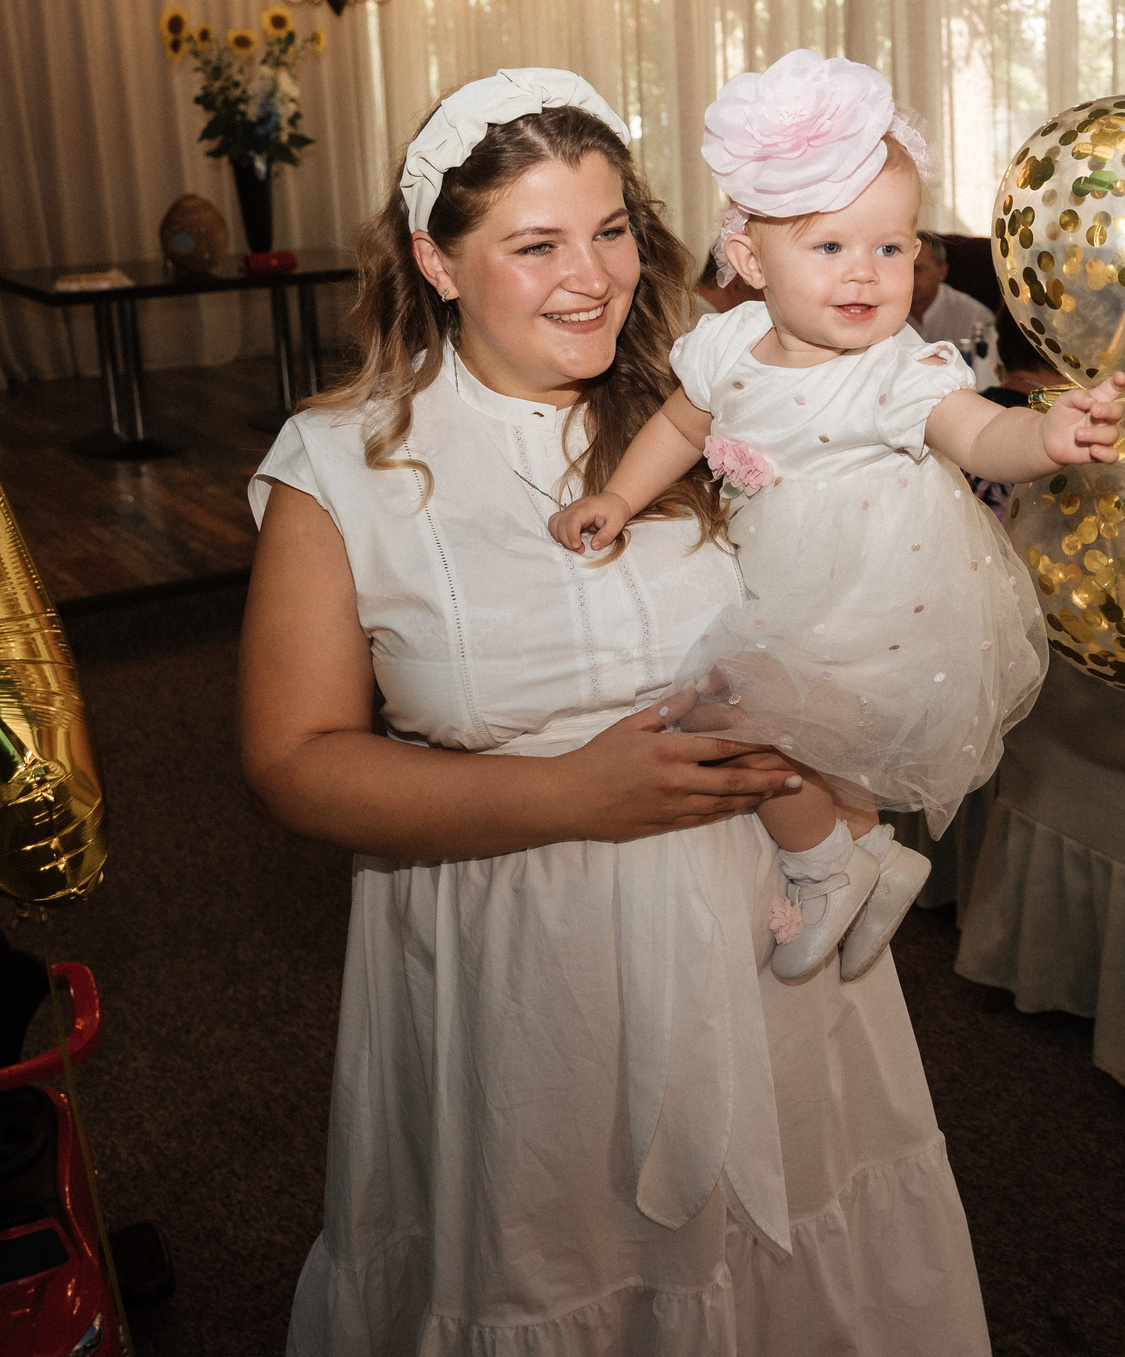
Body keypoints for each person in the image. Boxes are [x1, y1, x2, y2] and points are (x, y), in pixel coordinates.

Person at [240, 67, 993, 1352]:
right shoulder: (341, 462)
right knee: (558, 1272)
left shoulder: (720, 399)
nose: (590, 276)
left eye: (611, 233)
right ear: (435, 258)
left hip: (768, 946)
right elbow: (295, 761)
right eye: (535, 245)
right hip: (524, 973)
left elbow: (870, 593)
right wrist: (563, 792)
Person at [553, 50, 1124, 980]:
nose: (866, 274)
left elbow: (978, 436)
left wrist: (1045, 437)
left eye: (890, 248)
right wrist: (619, 494)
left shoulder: (897, 369)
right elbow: (682, 423)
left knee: (732, 715)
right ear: (748, 261)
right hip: (781, 582)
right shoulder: (730, 340)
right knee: (775, 735)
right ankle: (868, 857)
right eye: (830, 248)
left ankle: (825, 866)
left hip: (873, 602)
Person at [909, 231, 996, 350]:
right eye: (902, 269)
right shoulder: (884, 312)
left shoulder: (976, 317)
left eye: (917, 269)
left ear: (942, 272)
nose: (908, 278)